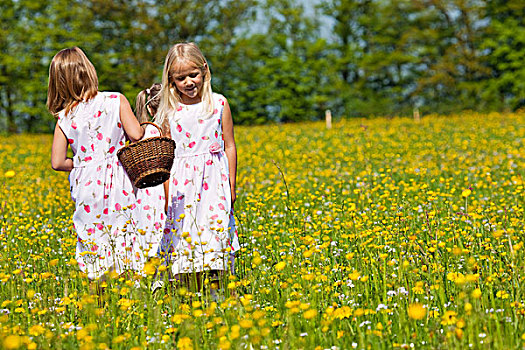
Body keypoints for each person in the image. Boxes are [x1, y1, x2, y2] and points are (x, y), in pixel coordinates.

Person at [48, 47, 145, 280]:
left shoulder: (64, 116)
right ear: (88, 71)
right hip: (119, 179)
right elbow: (136, 135)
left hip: (86, 184)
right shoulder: (115, 100)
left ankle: (97, 293)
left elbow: (57, 162)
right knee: (125, 230)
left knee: (92, 234)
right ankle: (129, 289)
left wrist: (82, 163)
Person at [154, 42, 240, 292]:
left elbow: (230, 145)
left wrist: (231, 184)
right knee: (184, 236)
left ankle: (218, 291)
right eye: (181, 78)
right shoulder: (171, 111)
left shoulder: (219, 104)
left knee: (215, 234)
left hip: (213, 183)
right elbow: (166, 155)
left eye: (194, 75)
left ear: (205, 71)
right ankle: (186, 293)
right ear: (171, 80)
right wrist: (166, 194)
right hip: (183, 187)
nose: (189, 82)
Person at [133, 83, 166, 260]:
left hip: (146, 195)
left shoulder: (145, 131)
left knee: (149, 238)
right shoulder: (159, 131)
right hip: (159, 193)